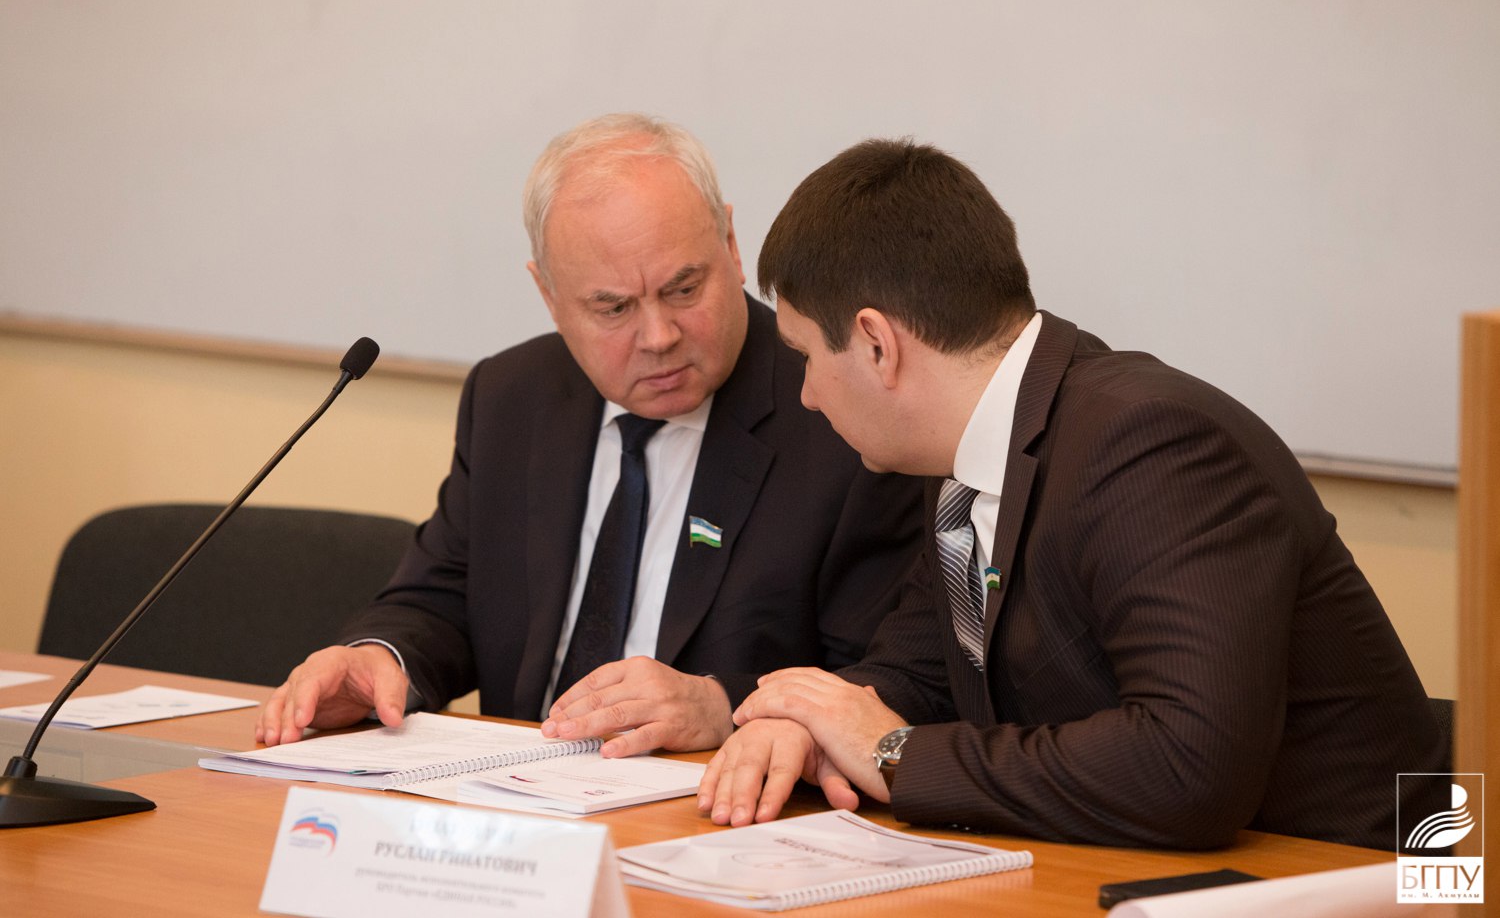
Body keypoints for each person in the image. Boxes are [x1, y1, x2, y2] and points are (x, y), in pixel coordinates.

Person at [699, 137, 1447, 850]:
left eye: (805, 356)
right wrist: (805, 722)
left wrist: (892, 753)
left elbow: (1188, 766)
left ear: (876, 344)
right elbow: (917, 671)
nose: (807, 395)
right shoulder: (966, 458)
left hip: (1373, 880)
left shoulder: (1152, 443)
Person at [255, 115, 922, 757]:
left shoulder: (841, 417)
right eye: (613, 308)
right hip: (518, 794)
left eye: (684, 289)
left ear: (730, 244)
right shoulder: (511, 397)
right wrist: (379, 658)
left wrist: (723, 705)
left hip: (711, 803)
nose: (658, 336)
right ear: (548, 295)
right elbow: (444, 595)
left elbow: (890, 680)